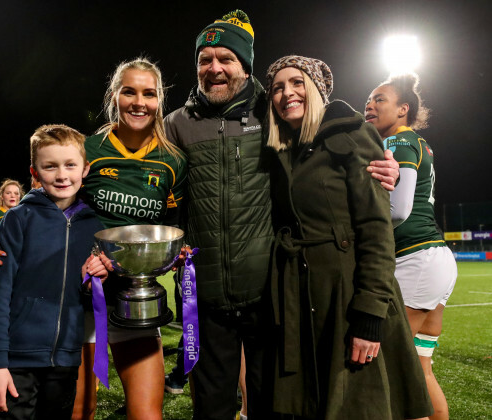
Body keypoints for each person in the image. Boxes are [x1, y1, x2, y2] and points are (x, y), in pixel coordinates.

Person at [164, 10, 400, 420]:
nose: (215, 68)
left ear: (244, 65)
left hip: (270, 295)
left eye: (226, 58)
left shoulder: (272, 110)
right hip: (203, 296)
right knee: (211, 407)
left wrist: (381, 162)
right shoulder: (175, 125)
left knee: (275, 406)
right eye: (205, 59)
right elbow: (155, 185)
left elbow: (327, 135)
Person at [0, 58, 187, 420]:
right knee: (78, 412)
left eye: (149, 93)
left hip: (134, 298)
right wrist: (4, 236)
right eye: (129, 91)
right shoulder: (87, 149)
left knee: (147, 415)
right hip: (79, 298)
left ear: (160, 100)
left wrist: (181, 253)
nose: (138, 101)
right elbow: (45, 199)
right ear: (115, 95)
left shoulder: (173, 160)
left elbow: (174, 224)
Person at [265, 55, 433, 419]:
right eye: (277, 87)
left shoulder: (354, 134)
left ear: (316, 88)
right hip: (303, 299)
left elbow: (376, 230)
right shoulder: (282, 150)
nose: (287, 93)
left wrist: (370, 316)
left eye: (297, 83)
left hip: (348, 300)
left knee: (360, 407)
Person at [0, 124, 110, 419]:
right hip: (16, 360)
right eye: (50, 167)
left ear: (85, 169)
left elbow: (89, 299)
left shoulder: (95, 228)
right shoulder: (16, 220)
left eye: (70, 165)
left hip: (65, 360)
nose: (62, 175)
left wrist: (96, 283)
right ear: (35, 173)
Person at [365, 73, 457, 420]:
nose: (369, 106)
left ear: (403, 109)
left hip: (415, 259)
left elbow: (398, 210)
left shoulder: (398, 143)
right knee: (420, 370)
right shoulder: (415, 142)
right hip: (433, 259)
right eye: (368, 101)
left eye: (379, 100)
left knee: (391, 367)